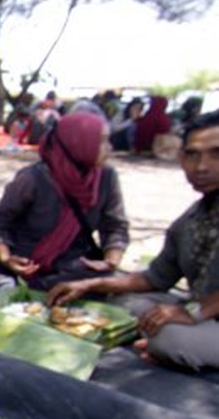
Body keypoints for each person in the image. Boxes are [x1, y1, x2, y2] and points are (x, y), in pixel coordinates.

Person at [48, 111, 219, 371]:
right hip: (201, 314)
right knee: (119, 305)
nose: (202, 166)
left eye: (216, 153)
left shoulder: (105, 178)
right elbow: (155, 278)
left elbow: (115, 226)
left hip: (203, 314)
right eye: (193, 154)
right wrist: (90, 284)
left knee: (169, 337)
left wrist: (193, 312)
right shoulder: (191, 221)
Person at [0, 112, 129, 289]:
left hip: (74, 265)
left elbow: (115, 226)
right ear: (77, 143)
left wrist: (110, 262)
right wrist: (6, 259)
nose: (110, 148)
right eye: (102, 141)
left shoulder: (106, 177)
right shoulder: (33, 178)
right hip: (25, 264)